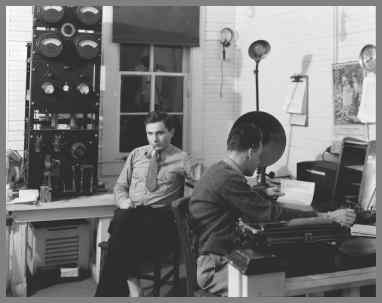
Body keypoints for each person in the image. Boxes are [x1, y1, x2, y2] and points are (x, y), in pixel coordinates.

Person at [189, 122, 356, 296]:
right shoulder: (227, 179)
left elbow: (238, 197)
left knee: (289, 264)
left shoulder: (219, 171)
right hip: (215, 270)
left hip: (218, 259)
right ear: (251, 152)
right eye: (259, 156)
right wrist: (326, 215)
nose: (259, 162)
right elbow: (272, 214)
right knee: (284, 281)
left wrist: (262, 192)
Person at [95, 111, 197, 297]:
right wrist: (124, 200)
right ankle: (134, 287)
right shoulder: (136, 154)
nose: (154, 139)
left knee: (119, 228)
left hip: (160, 220)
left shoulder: (183, 159)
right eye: (150, 133)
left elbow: (204, 184)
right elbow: (120, 186)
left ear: (171, 132)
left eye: (160, 133)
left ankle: (119, 291)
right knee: (124, 221)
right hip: (132, 216)